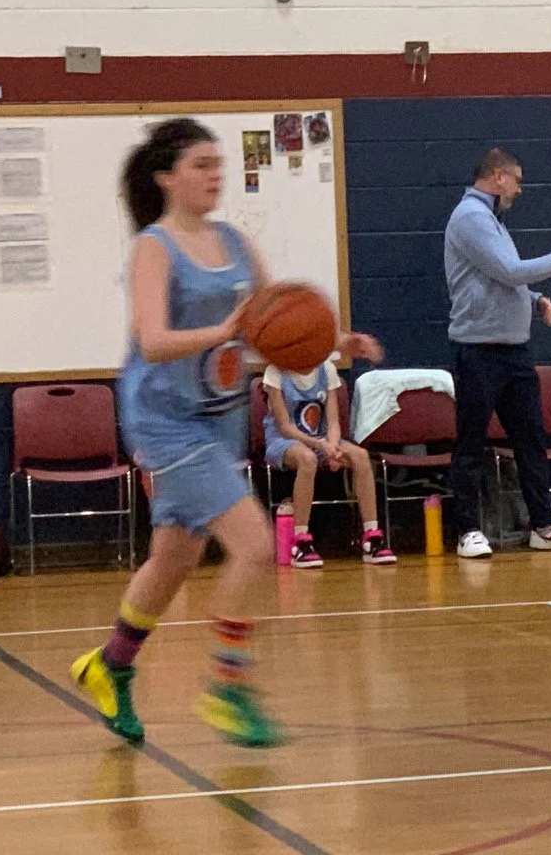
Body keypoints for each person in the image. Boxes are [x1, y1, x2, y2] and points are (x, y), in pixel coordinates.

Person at [71, 118, 383, 747]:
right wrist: (225, 330)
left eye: (219, 164)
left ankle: (111, 664)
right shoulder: (155, 248)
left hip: (220, 416)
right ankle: (228, 687)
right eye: (201, 164)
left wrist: (331, 341)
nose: (216, 175)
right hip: (166, 420)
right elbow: (153, 341)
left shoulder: (238, 243)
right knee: (256, 547)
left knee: (175, 558)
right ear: (167, 177)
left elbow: (271, 330)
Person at [444, 147, 551, 559]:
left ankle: (543, 526)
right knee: (471, 444)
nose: (519, 189)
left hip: (513, 351)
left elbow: (502, 280)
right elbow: (509, 271)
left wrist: (535, 299)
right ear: (498, 176)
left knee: (531, 441)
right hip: (479, 351)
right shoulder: (471, 217)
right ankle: (468, 531)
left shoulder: (491, 220)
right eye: (517, 180)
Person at [262, 358, 393, 567]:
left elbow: (333, 421)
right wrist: (320, 445)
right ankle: (301, 541)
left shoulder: (327, 369)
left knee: (360, 456)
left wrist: (332, 447)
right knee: (308, 459)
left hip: (322, 439)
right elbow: (285, 427)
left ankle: (371, 537)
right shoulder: (275, 371)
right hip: (283, 441)